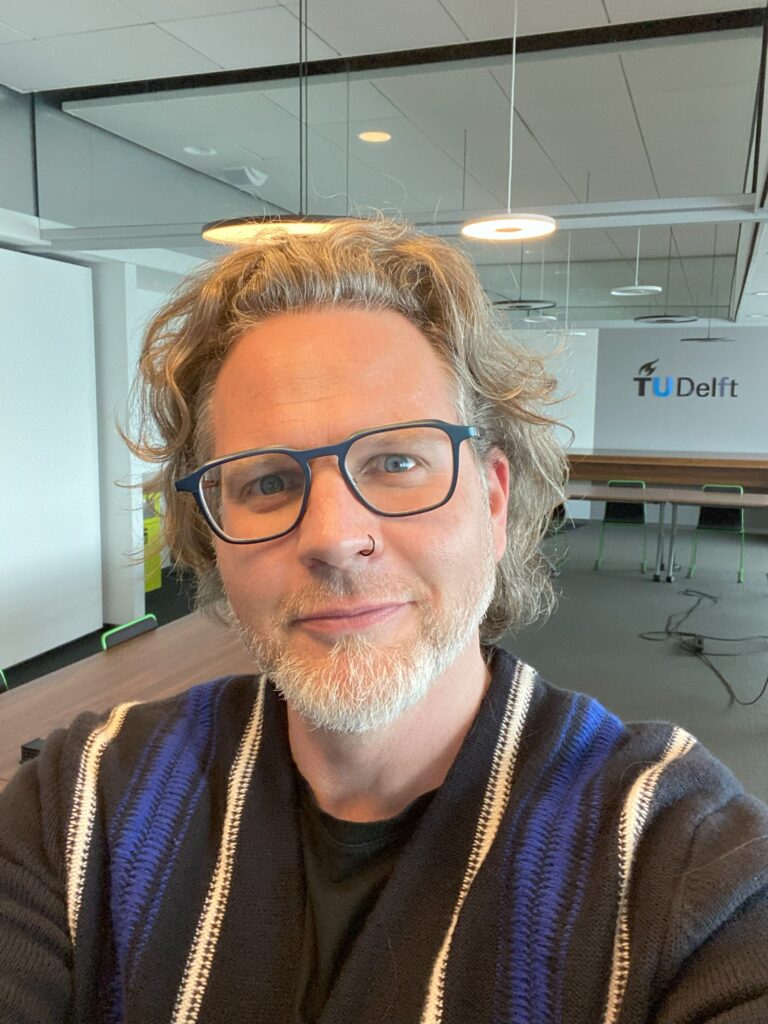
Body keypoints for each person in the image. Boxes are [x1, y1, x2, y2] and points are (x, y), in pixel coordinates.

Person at [1, 218, 766, 1024]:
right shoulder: (82, 799)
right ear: (213, 534)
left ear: (495, 500)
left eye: (397, 462)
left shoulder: (676, 852)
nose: (332, 536)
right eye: (266, 483)